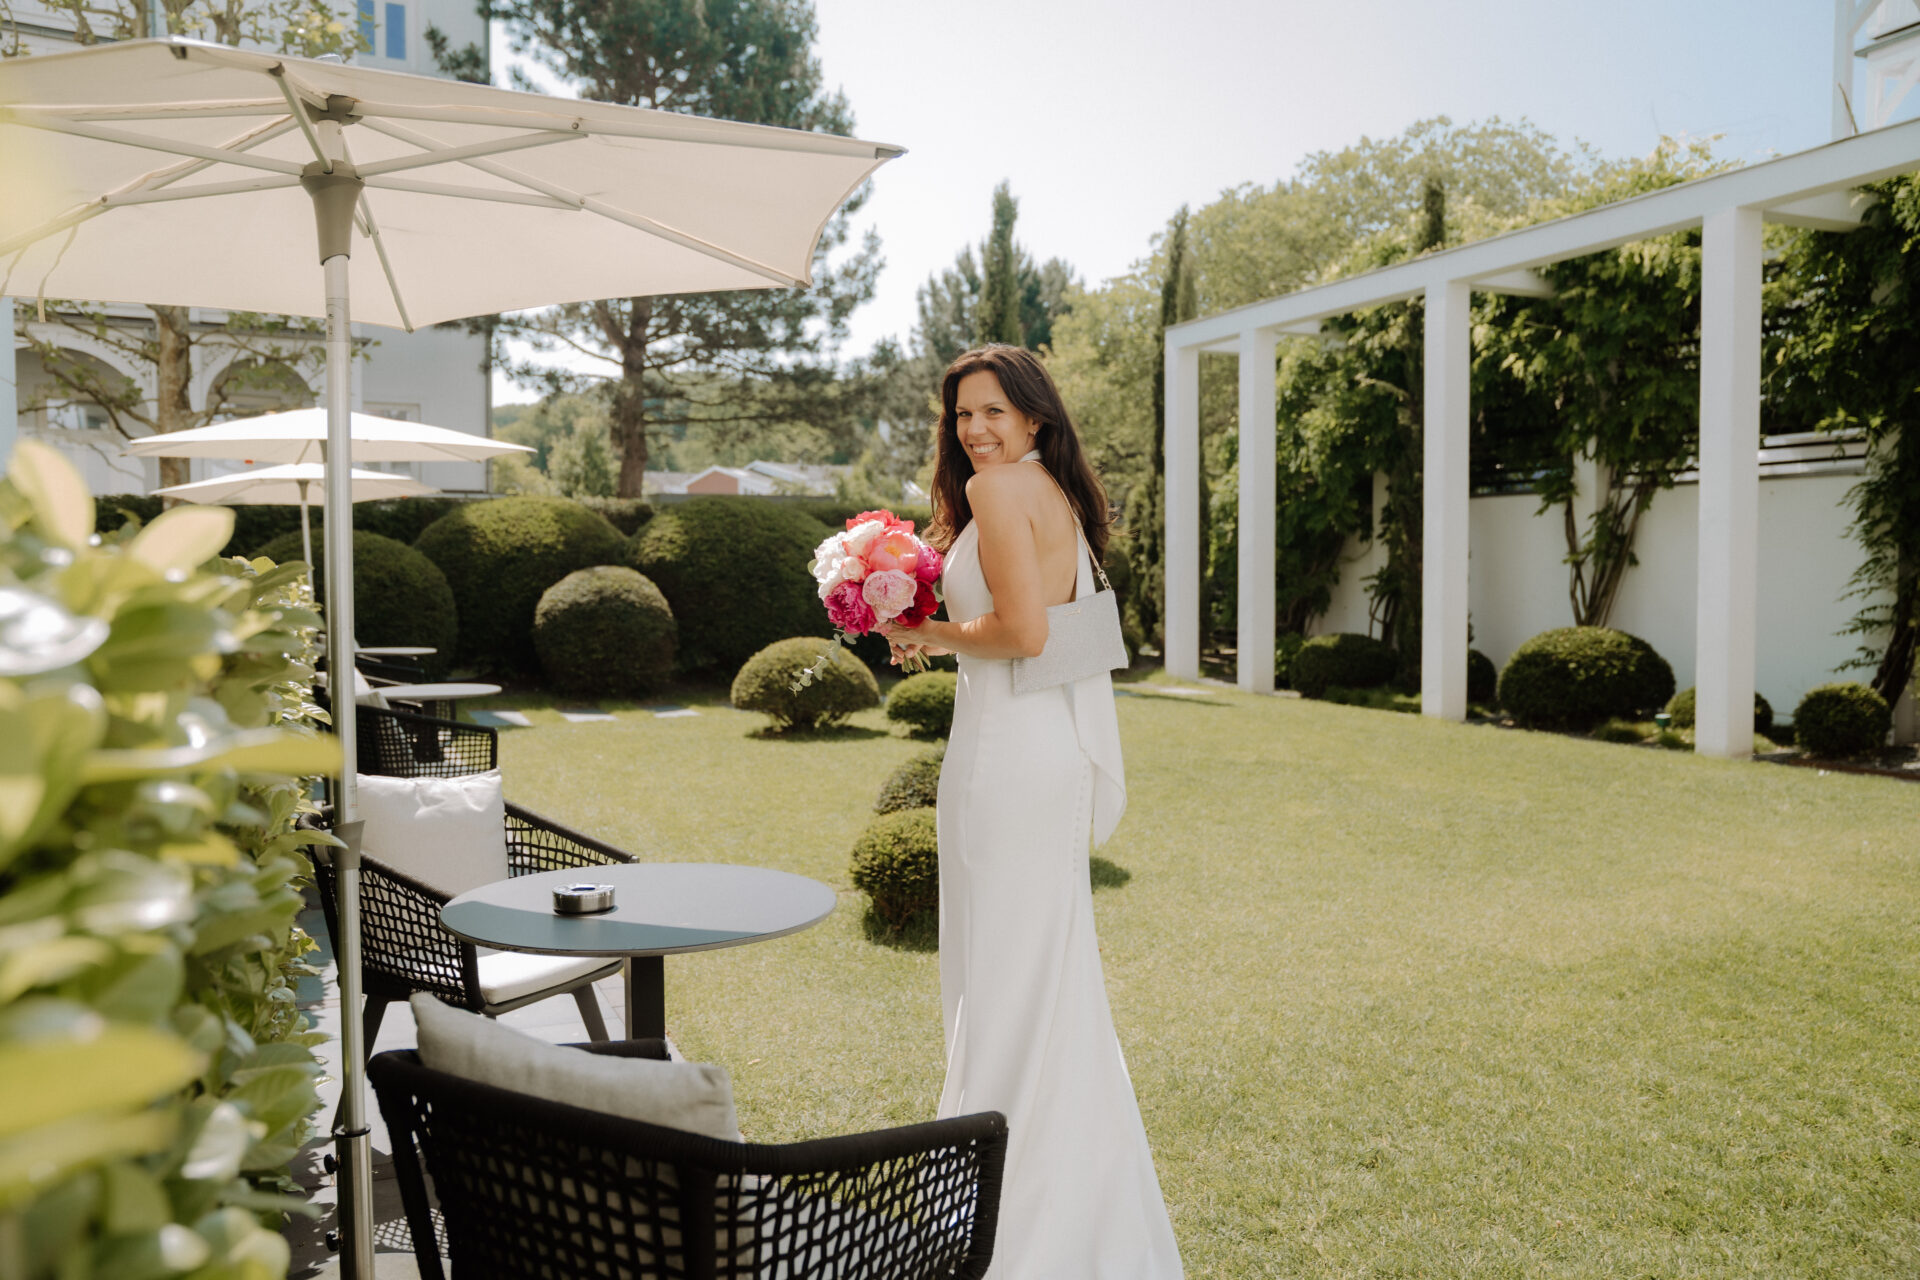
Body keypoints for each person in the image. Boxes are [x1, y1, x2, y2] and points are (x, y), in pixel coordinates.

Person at [882, 345, 1183, 1279]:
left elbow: (1023, 633)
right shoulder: (1052, 492)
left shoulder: (1000, 489)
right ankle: (1052, 1202)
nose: (975, 430)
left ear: (1034, 417)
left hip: (1008, 759)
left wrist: (921, 630)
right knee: (1038, 975)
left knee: (1006, 977)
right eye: (962, 415)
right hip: (1039, 750)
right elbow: (1053, 630)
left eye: (994, 412)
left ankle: (1002, 1216)